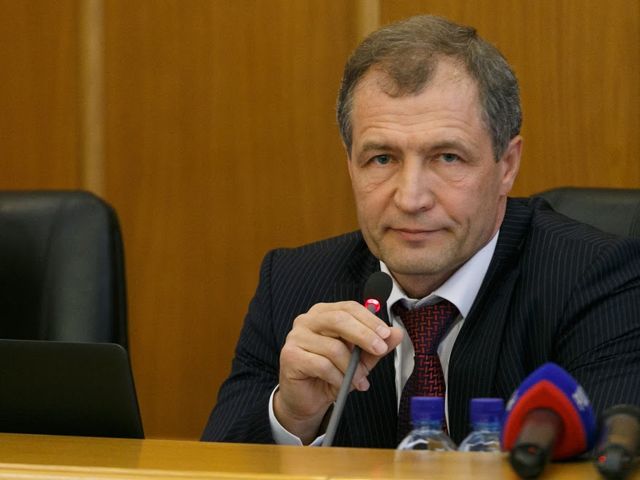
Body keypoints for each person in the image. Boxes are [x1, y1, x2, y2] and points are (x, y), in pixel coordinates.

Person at [201, 15, 640, 448]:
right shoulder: (294, 284)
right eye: (382, 159)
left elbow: (612, 461)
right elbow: (213, 465)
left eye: (447, 157)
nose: (411, 198)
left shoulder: (596, 281)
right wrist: (292, 417)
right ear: (350, 165)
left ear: (506, 166)